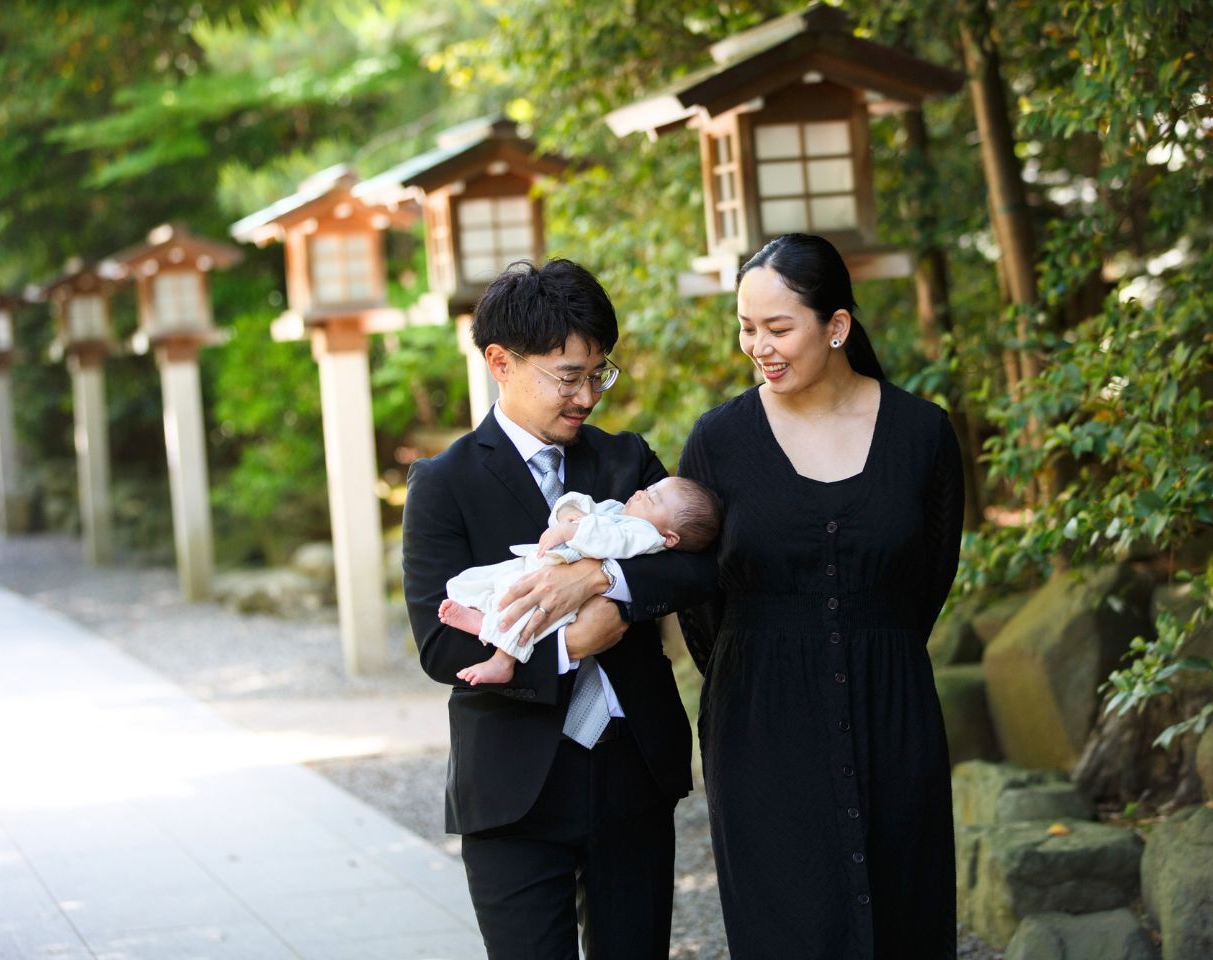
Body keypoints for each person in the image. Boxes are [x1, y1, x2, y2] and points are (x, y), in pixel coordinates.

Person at [401, 258, 717, 959]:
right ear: (499, 363)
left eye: (598, 374)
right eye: (567, 376)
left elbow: (699, 566)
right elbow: (441, 645)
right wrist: (573, 643)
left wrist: (605, 583)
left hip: (633, 773)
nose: (586, 397)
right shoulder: (442, 485)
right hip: (514, 790)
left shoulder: (627, 462)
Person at [677, 233, 965, 959]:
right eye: (747, 328)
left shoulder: (923, 434)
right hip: (761, 729)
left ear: (836, 327)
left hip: (892, 714)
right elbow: (701, 601)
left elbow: (927, 580)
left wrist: (872, 648)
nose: (758, 347)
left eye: (778, 328)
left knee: (904, 916)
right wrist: (762, 673)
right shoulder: (718, 441)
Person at [440, 477, 723, 685]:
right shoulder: (620, 511)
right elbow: (587, 508)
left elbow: (609, 540)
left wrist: (574, 533)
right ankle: (485, 612)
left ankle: (501, 655)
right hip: (543, 566)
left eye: (652, 498)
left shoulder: (646, 535)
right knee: (502, 587)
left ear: (669, 537)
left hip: (568, 598)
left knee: (528, 610)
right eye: (648, 489)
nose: (639, 492)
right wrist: (569, 511)